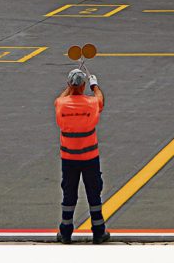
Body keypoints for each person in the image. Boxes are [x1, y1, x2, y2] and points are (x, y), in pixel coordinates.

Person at [54, 67, 109, 244]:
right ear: (84, 85)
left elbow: (62, 97)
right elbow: (101, 100)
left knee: (69, 196)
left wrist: (71, 86)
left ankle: (66, 233)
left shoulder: (61, 104)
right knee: (94, 194)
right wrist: (95, 85)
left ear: (69, 84)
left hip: (69, 159)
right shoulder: (92, 103)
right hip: (89, 158)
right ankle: (99, 232)